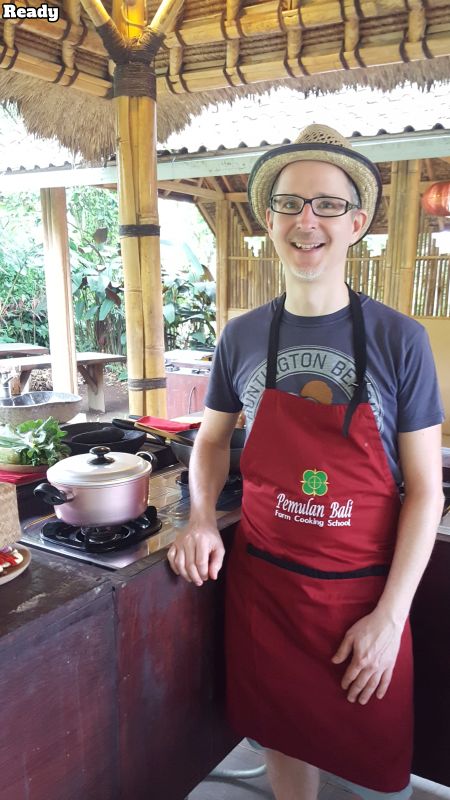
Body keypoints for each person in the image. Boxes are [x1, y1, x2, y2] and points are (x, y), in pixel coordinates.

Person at [167, 124, 445, 800]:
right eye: (290, 204)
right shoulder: (242, 335)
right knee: (283, 750)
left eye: (325, 205)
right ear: (270, 220)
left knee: (380, 773)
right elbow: (209, 440)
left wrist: (390, 617)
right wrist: (201, 516)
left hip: (363, 600)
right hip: (267, 595)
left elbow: (426, 491)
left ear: (355, 223)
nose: (306, 221)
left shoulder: (401, 340)